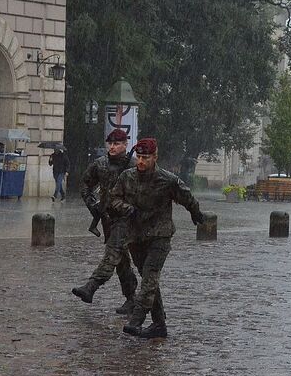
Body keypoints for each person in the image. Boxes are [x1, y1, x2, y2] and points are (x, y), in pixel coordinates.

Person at [110, 138, 205, 339]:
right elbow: (113, 199)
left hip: (159, 236)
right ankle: (159, 324)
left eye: (146, 158)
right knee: (148, 279)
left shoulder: (167, 180)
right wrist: (127, 208)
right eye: (139, 157)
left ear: (155, 157)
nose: (141, 162)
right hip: (136, 236)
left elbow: (187, 197)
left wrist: (196, 213)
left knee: (150, 275)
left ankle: (136, 319)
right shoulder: (127, 177)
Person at [71, 129, 139, 316]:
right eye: (110, 143)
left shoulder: (134, 165)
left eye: (117, 144)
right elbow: (85, 184)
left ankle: (91, 287)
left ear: (125, 145)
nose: (112, 147)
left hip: (126, 219)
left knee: (112, 254)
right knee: (121, 260)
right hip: (107, 219)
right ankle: (132, 298)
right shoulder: (100, 164)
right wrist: (92, 205)